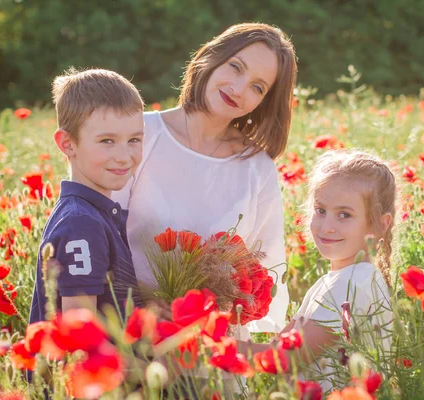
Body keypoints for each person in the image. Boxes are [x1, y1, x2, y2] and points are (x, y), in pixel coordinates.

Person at [112, 22, 297, 334]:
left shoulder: (256, 167)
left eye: (257, 87)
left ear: (265, 101)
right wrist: (144, 307)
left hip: (210, 343)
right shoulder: (139, 135)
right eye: (235, 67)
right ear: (211, 58)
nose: (238, 88)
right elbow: (97, 231)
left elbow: (264, 267)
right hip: (126, 327)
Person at [247, 149, 396, 392]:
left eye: (344, 215)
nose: (327, 226)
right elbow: (282, 344)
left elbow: (283, 358)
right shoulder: (341, 279)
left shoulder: (351, 284)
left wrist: (209, 349)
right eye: (321, 210)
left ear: (381, 223)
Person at [29, 68, 144, 324]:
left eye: (134, 139)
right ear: (68, 144)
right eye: (107, 141)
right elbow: (80, 335)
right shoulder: (82, 222)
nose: (124, 156)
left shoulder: (93, 213)